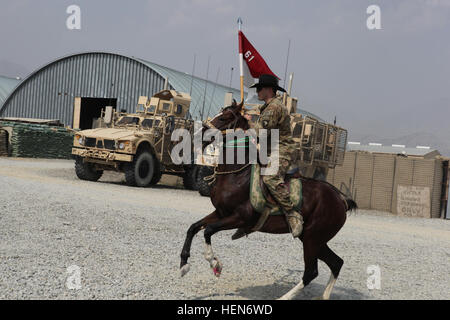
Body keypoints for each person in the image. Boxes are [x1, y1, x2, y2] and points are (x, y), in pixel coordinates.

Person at [244, 74, 303, 238]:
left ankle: (292, 213)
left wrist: (244, 128)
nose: (258, 92)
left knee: (270, 177)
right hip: (270, 148)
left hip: (281, 150)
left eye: (260, 89)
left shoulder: (274, 108)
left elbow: (261, 132)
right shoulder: (267, 107)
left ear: (269, 90)